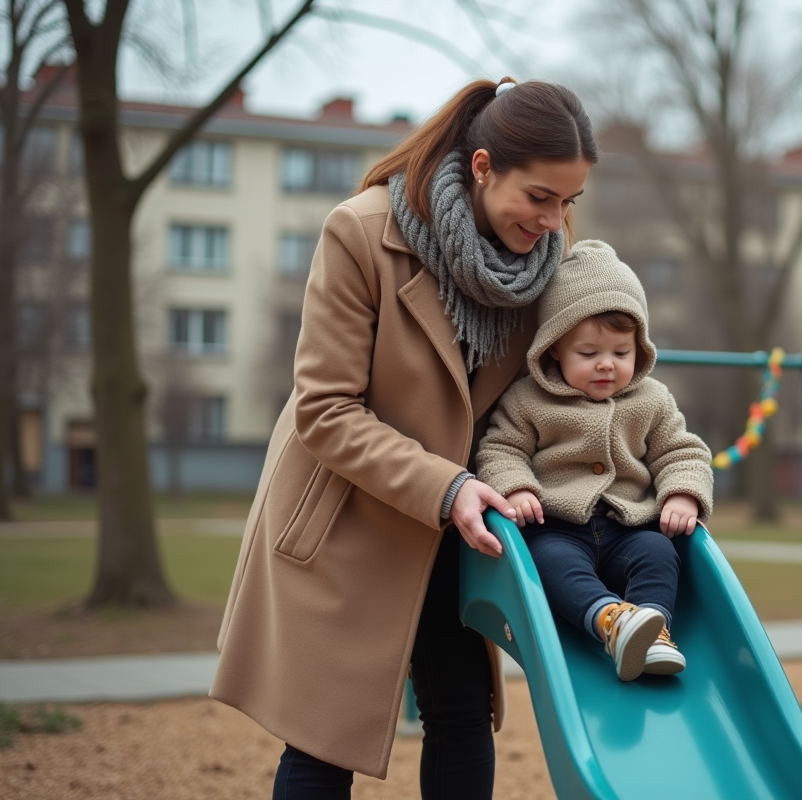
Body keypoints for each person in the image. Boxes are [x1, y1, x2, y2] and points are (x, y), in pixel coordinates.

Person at [209, 78, 597, 800]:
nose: (553, 221)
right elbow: (325, 410)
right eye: (540, 196)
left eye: (568, 202)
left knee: (463, 714)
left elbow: (568, 384)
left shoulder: (544, 265)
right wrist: (446, 486)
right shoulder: (360, 232)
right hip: (348, 517)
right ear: (482, 167)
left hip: (463, 523)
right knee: (323, 739)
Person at [476, 240, 714, 682]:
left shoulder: (652, 399)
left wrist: (683, 493)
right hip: (558, 527)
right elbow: (500, 449)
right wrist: (517, 487)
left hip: (630, 529)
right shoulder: (528, 399)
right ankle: (610, 620)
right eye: (589, 354)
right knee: (550, 563)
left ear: (639, 348)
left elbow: (682, 451)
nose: (606, 365)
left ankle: (653, 629)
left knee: (660, 553)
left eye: (621, 353)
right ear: (554, 348)